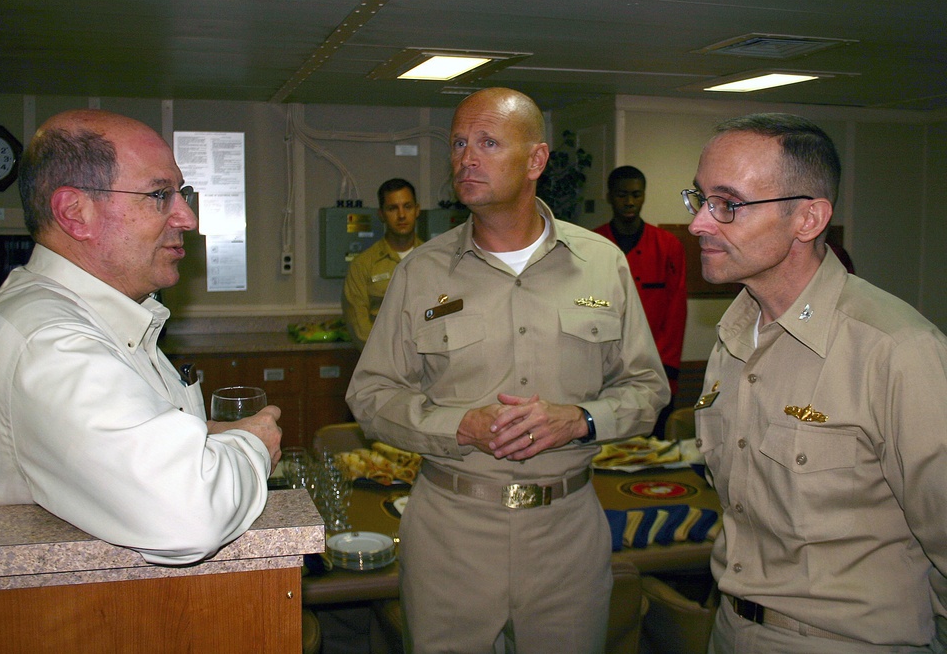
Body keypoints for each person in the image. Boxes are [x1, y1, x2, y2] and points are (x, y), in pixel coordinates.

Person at [346, 87, 669, 653]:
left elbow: (647, 389)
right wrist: (458, 426)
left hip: (566, 534)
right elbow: (370, 395)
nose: (466, 158)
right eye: (458, 144)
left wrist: (580, 420)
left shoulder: (601, 264)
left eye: (488, 143)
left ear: (536, 160)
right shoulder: (420, 272)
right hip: (451, 533)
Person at [0, 109, 283, 566]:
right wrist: (254, 445)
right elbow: (189, 514)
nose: (186, 217)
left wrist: (209, 437)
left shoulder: (84, 318)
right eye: (159, 195)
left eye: (182, 193)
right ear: (75, 213)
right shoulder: (52, 344)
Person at [684, 113, 947, 653]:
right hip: (731, 629)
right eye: (700, 198)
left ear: (808, 219)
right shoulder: (735, 334)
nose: (698, 224)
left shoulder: (895, 350)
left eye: (727, 204)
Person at [594, 165, 687, 438]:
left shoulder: (668, 246)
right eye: (622, 195)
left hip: (656, 367)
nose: (630, 202)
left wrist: (667, 368)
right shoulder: (593, 245)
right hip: (604, 368)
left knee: (655, 447)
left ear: (644, 195)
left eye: (636, 194)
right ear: (610, 196)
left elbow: (676, 310)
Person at [342, 178, 422, 348]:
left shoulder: (434, 259)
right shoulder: (363, 265)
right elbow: (359, 326)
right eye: (392, 208)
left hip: (428, 364)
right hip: (382, 363)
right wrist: (390, 360)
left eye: (407, 207)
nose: (401, 215)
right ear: (381, 214)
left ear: (417, 210)